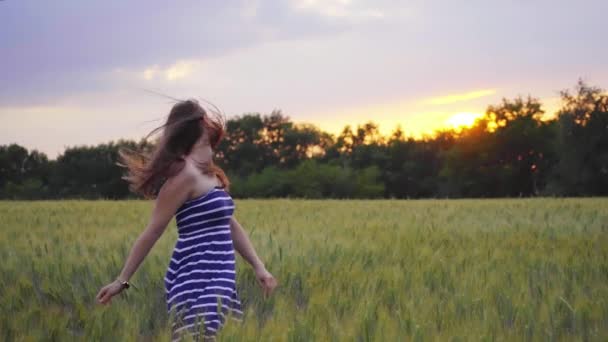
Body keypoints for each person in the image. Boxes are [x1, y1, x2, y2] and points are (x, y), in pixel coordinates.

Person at [95, 99, 278, 341]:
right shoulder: (184, 175)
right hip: (196, 279)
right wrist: (122, 280)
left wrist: (259, 267)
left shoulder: (208, 171)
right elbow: (152, 232)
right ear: (202, 123)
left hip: (222, 276)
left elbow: (228, 223)